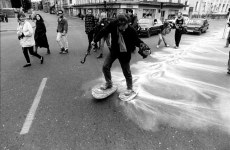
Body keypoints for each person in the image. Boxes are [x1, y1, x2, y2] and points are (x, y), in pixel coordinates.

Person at [92, 13, 151, 95]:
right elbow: (103, 31)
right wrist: (94, 40)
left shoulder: (131, 30)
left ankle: (129, 88)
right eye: (122, 27)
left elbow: (137, 41)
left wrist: (145, 48)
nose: (124, 28)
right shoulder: (113, 25)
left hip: (125, 53)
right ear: (118, 25)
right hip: (114, 50)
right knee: (105, 66)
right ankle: (109, 83)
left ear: (127, 23)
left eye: (125, 26)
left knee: (126, 71)